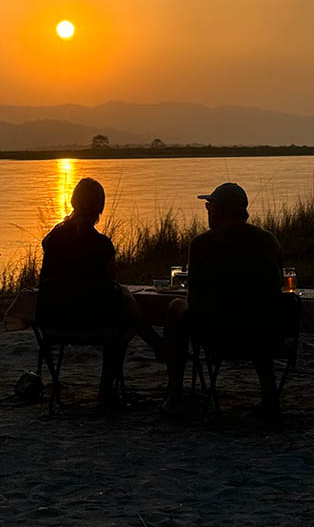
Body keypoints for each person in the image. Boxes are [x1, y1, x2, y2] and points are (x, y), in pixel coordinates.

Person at [163, 182, 286, 417]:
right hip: (264, 336)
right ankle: (270, 397)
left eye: (209, 206)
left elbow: (194, 299)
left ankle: (175, 394)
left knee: (176, 307)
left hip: (217, 337)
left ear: (218, 210)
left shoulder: (201, 243)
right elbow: (276, 289)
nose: (207, 211)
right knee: (258, 310)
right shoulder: (269, 241)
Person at [37, 176, 163, 402]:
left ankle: (156, 344)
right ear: (99, 207)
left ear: (73, 202)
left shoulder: (53, 240)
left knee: (123, 301)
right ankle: (107, 389)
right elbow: (108, 286)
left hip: (53, 322)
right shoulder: (102, 245)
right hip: (94, 323)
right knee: (124, 318)